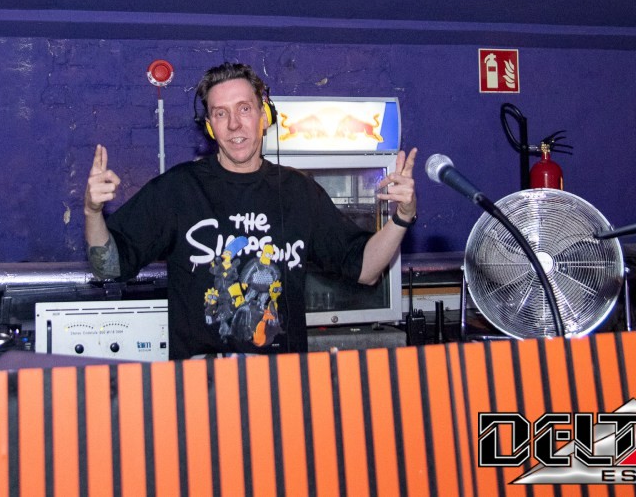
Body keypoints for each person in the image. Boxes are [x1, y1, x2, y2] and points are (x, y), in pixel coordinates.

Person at [84, 62, 417, 359]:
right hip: (202, 390)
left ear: (264, 116)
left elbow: (365, 269)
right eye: (220, 113)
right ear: (210, 126)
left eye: (244, 109)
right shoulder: (178, 189)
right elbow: (108, 267)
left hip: (279, 389)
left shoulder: (299, 192)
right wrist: (92, 212)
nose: (234, 124)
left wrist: (401, 217)